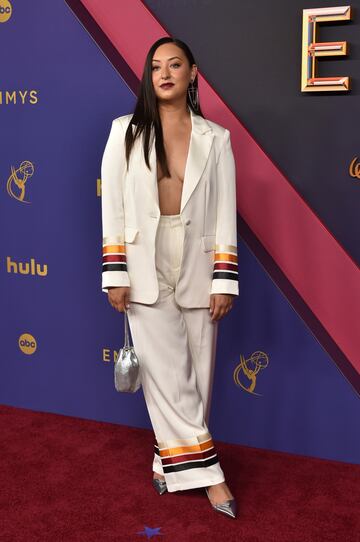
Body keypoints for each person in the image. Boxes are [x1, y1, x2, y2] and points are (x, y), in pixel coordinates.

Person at [101, 37, 239, 519]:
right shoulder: (124, 132)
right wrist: (115, 271)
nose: (164, 73)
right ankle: (212, 477)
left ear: (192, 72)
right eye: (156, 65)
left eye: (175, 64)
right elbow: (112, 208)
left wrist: (224, 279)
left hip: (200, 261)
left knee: (197, 375)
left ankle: (168, 458)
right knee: (168, 375)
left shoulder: (215, 138)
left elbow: (225, 213)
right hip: (141, 262)